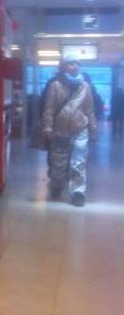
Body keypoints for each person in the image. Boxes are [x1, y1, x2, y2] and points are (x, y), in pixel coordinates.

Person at [41, 60, 98, 206]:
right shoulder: (55, 85)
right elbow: (49, 108)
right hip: (60, 130)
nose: (75, 66)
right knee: (58, 163)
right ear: (64, 66)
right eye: (71, 63)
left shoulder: (85, 87)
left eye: (78, 64)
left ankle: (78, 193)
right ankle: (56, 185)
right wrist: (48, 127)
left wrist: (93, 129)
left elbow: (90, 110)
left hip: (80, 128)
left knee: (78, 162)